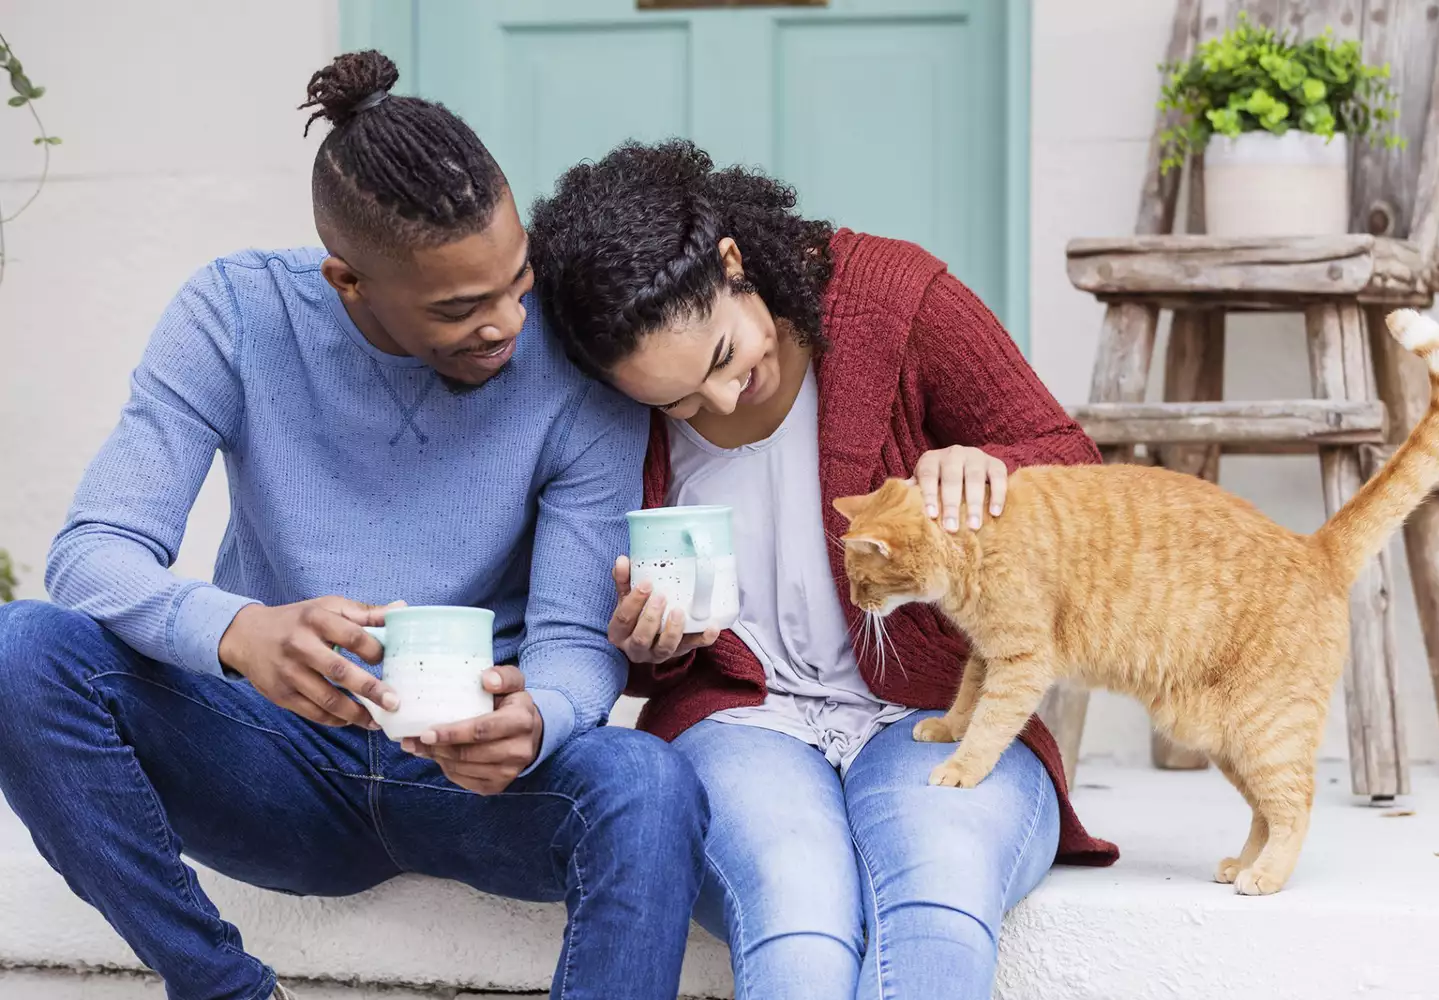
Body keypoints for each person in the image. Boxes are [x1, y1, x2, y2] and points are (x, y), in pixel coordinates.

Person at [0, 54, 706, 1000]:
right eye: (460, 308)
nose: (507, 323)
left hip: (473, 780)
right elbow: (93, 553)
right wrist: (240, 633)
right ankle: (220, 987)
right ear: (349, 281)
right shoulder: (238, 313)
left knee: (647, 784)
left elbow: (575, 639)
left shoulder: (572, 362)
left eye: (518, 278)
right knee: (21, 649)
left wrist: (539, 719)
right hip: (270, 758)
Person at [528, 139, 1118, 1000]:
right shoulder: (611, 407)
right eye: (677, 403)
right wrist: (650, 647)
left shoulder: (899, 303)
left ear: (733, 265)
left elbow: (1086, 485)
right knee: (797, 922)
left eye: (723, 359)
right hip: (742, 723)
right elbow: (615, 643)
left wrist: (991, 469)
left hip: (937, 707)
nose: (720, 403)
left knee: (935, 904)